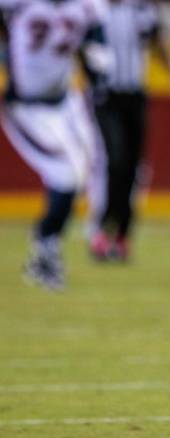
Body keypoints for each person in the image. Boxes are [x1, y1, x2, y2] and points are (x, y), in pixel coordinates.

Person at [0, 0, 112, 290]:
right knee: (66, 174)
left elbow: (96, 41)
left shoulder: (87, 6)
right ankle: (46, 249)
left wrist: (96, 63)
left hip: (65, 103)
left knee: (83, 169)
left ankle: (49, 248)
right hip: (25, 106)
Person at [89, 0, 170, 261]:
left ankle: (121, 234)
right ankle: (101, 228)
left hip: (134, 96)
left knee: (133, 167)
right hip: (105, 97)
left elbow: (158, 41)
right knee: (114, 161)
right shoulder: (92, 10)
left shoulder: (142, 9)